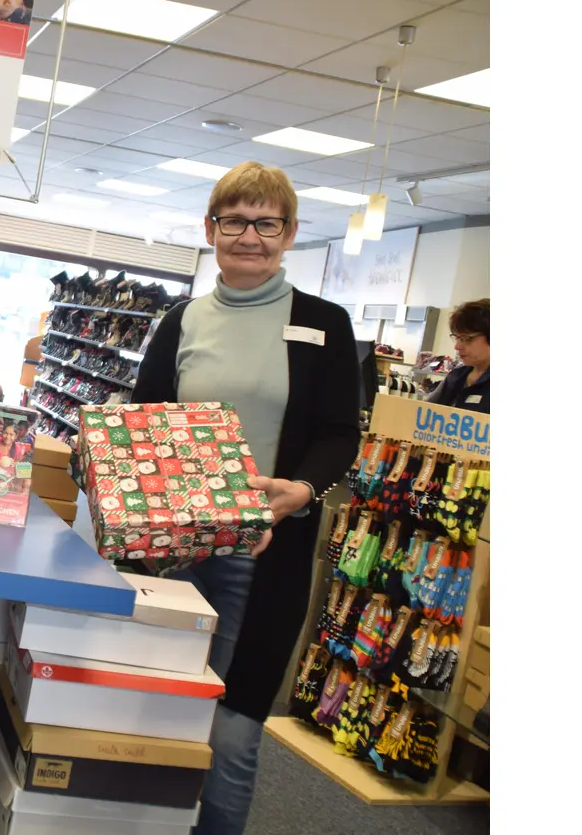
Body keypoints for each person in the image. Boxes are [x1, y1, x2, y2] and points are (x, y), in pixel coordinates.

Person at [131, 162, 361, 835]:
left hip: (264, 553)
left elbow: (339, 433)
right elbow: (145, 421)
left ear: (289, 235)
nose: (250, 236)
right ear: (212, 229)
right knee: (154, 709)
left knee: (232, 732)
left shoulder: (324, 324)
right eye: (235, 221)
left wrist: (302, 491)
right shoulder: (183, 321)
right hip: (174, 549)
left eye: (267, 223)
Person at [428, 298, 489, 413]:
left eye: (466, 339)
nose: (457, 346)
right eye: (457, 338)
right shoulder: (456, 376)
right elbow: (426, 410)